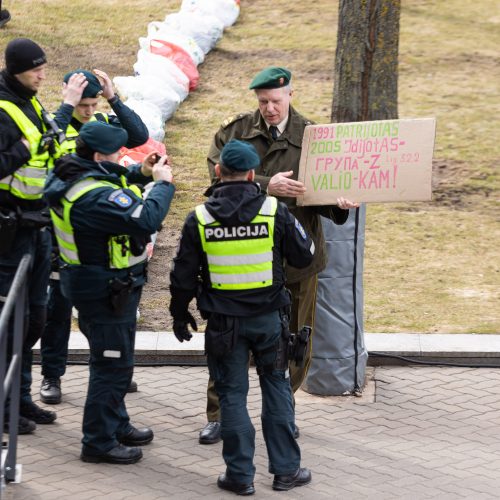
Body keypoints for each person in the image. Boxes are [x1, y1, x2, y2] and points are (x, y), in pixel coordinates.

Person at [200, 66, 359, 444]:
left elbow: (324, 194)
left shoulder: (314, 137)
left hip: (296, 259)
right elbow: (214, 184)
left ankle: (282, 412)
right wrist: (265, 184)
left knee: (296, 341)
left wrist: (340, 203)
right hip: (244, 257)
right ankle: (219, 415)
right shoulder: (235, 132)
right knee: (228, 341)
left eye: (275, 100)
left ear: (290, 94)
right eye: (262, 101)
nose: (269, 108)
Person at [170, 139, 314, 494]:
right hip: (269, 322)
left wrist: (179, 315)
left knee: (232, 394)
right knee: (276, 386)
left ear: (219, 173)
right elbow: (305, 256)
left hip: (223, 325)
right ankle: (285, 472)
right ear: (253, 174)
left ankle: (239, 476)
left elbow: (182, 276)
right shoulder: (274, 210)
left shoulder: (200, 218)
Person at [44, 120, 175, 464]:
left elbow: (108, 178)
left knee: (116, 360)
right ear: (101, 155)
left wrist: (141, 174)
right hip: (105, 292)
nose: (122, 157)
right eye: (118, 152)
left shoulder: (73, 173)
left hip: (97, 287)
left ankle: (117, 423)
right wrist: (162, 185)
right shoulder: (93, 197)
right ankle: (98, 441)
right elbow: (146, 219)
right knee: (111, 366)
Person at [39, 69, 149, 405]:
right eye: (82, 105)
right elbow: (44, 146)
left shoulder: (103, 120)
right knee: (57, 310)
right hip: (65, 236)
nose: (87, 112)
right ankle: (51, 376)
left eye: (93, 103)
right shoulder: (55, 122)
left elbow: (138, 135)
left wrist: (114, 98)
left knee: (107, 314)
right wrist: (65, 105)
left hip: (105, 236)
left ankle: (115, 369)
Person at [0, 38, 64, 435]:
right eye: (36, 68)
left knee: (34, 320)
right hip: (10, 232)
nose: (43, 74)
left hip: (38, 224)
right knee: (10, 324)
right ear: (16, 69)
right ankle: (5, 406)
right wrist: (25, 147)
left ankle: (20, 399)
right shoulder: (3, 109)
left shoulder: (31, 99)